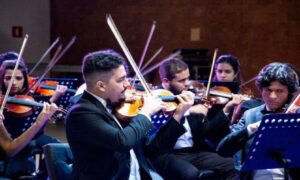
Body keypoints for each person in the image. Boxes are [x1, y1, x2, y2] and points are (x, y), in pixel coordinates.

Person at [66, 49, 197, 179]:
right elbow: (122, 141)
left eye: (126, 78)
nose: (128, 85)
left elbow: (152, 150)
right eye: (121, 80)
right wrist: (146, 112)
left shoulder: (121, 107)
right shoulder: (81, 113)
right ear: (101, 86)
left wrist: (177, 115)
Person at [147, 58, 240, 179]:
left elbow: (208, 132)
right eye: (182, 80)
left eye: (188, 78)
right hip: (167, 154)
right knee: (190, 174)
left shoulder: (190, 95)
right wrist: (187, 111)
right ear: (165, 81)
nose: (187, 83)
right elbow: (161, 143)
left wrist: (225, 110)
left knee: (232, 164)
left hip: (192, 151)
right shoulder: (156, 100)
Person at [217, 62, 300, 179]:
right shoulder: (250, 115)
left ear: (289, 92)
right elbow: (223, 150)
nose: (272, 96)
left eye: (279, 91)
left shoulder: (296, 114)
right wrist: (252, 128)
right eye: (268, 90)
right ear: (260, 90)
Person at [0, 58, 66, 178]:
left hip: (24, 141)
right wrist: (38, 123)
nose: (13, 83)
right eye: (8, 78)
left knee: (58, 149)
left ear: (25, 80)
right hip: (10, 147)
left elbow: (37, 129)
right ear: (2, 79)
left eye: (18, 78)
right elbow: (10, 149)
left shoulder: (27, 100)